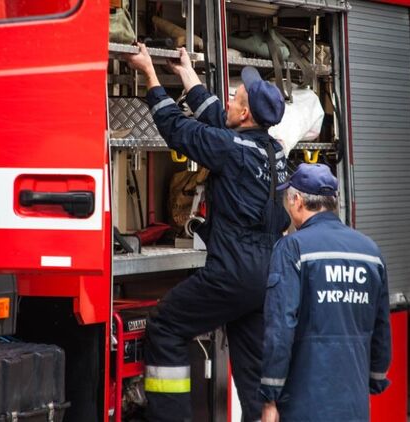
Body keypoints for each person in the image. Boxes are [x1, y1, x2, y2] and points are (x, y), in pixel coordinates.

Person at [123, 44, 291, 422]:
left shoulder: (230, 148)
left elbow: (177, 129)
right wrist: (186, 73)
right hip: (268, 275)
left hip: (233, 271)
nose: (228, 99)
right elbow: (219, 119)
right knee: (253, 370)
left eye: (235, 97)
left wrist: (149, 74)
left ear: (245, 113)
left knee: (166, 327)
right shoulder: (273, 150)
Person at [259, 163, 392, 422]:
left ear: (297, 201)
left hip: (304, 403)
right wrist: (376, 377)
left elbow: (280, 326)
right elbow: (381, 324)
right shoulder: (370, 251)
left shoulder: (292, 248)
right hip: (354, 402)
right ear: (333, 202)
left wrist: (269, 394)